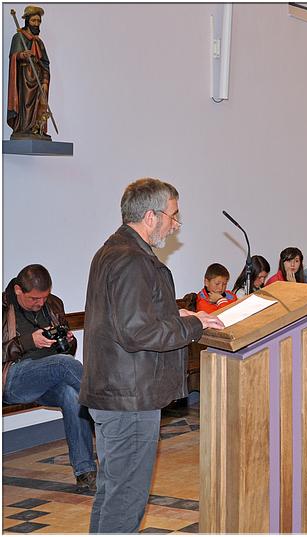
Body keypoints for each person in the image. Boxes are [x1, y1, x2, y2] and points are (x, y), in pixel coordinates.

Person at [80, 178, 224, 533]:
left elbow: (132, 318)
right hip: (129, 399)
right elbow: (137, 332)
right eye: (173, 216)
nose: (175, 225)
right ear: (150, 216)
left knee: (113, 493)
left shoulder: (114, 251)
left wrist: (180, 316)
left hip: (120, 392)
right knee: (126, 499)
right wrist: (193, 328)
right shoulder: (131, 260)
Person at [3, 264, 97, 489]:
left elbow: (64, 351)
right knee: (64, 365)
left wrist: (68, 340)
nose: (40, 303)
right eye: (34, 298)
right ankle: (105, 406)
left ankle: (85, 471)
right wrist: (27, 342)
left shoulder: (53, 305)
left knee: (71, 395)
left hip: (47, 377)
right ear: (18, 290)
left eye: (44, 297)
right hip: (13, 377)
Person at [7, 5, 51, 140]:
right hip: (24, 78)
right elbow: (13, 57)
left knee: (39, 104)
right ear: (27, 21)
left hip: (38, 78)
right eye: (33, 21)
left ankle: (37, 128)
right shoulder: (18, 37)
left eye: (38, 21)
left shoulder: (39, 43)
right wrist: (21, 55)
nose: (36, 24)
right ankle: (24, 128)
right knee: (25, 104)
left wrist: (44, 82)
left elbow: (45, 64)